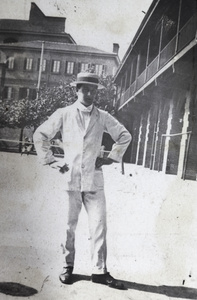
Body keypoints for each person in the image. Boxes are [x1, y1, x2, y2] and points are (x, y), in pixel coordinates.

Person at [33, 72, 131, 289]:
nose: (89, 93)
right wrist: (51, 160)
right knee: (68, 226)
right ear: (76, 90)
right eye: (85, 89)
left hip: (94, 180)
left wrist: (110, 157)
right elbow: (40, 135)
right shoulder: (64, 113)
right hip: (70, 177)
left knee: (99, 225)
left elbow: (124, 135)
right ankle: (67, 267)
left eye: (93, 90)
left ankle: (99, 271)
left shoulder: (103, 116)